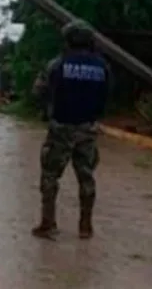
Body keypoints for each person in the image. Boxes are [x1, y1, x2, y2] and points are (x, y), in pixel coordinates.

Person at [30, 20, 113, 240]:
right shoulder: (102, 66)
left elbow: (38, 91)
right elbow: (106, 95)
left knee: (50, 176)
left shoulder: (58, 65)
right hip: (88, 128)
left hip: (61, 127)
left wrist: (47, 107)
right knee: (86, 177)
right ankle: (85, 227)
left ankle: (48, 224)